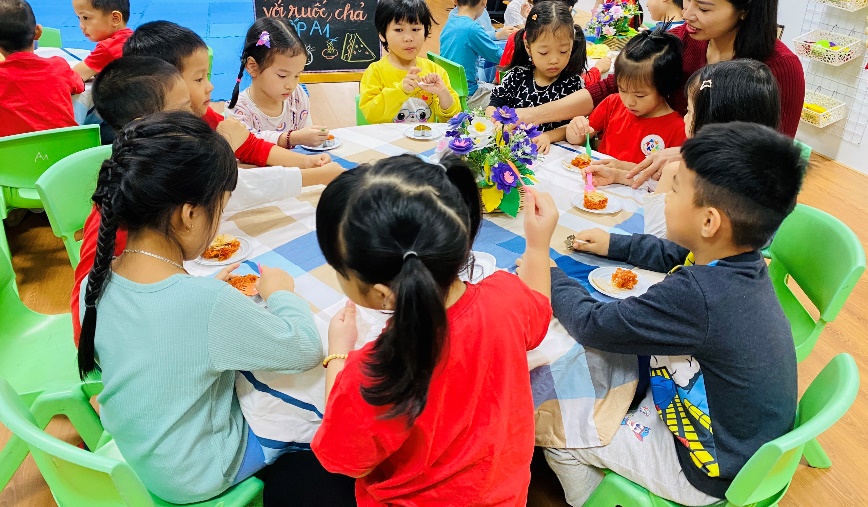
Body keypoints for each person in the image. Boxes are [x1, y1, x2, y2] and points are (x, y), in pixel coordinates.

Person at [550, 122, 804, 506]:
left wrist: (550, 275)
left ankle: (596, 498)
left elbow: (592, 325)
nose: (664, 197)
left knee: (561, 433)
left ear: (709, 221)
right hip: (742, 439)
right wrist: (615, 244)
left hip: (709, 468)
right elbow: (675, 253)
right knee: (613, 370)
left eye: (675, 189)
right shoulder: (740, 261)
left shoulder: (696, 295)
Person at [77, 111, 323, 504]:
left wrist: (203, 296)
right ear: (189, 215)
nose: (218, 220)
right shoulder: (205, 303)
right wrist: (281, 294)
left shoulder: (96, 279)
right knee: (311, 402)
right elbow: (305, 349)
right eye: (220, 209)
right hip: (198, 472)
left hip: (142, 451)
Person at [308, 155, 557, 505]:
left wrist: (337, 355)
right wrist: (537, 246)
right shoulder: (506, 297)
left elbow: (348, 461)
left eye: (339, 268)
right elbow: (538, 307)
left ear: (382, 294)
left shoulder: (375, 372)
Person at [70, 56, 343, 346]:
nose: (198, 111)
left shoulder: (154, 172)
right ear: (147, 127)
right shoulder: (133, 199)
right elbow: (88, 317)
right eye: (184, 108)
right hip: (135, 344)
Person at [517, 0, 805, 183]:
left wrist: (686, 153)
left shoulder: (779, 69)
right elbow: (609, 88)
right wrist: (529, 115)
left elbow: (770, 162)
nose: (688, 14)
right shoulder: (679, 40)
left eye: (704, 8)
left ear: (745, 9)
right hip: (659, 185)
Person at [588, 59, 782, 237]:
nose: (685, 117)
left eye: (689, 110)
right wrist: (619, 176)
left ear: (711, 121)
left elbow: (657, 241)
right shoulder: (758, 177)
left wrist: (611, 244)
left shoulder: (684, 172)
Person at [123, 20, 331, 171]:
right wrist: (226, 143)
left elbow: (251, 146)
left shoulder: (206, 117)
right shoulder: (142, 143)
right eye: (199, 79)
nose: (210, 87)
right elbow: (198, 179)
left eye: (207, 76)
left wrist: (307, 162)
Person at [566, 27, 686, 164]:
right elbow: (580, 139)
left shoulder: (678, 129)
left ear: (666, 87)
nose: (629, 102)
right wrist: (575, 131)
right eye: (622, 90)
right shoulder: (613, 103)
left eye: (639, 95)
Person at [488, 1, 589, 154]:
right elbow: (494, 104)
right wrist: (495, 123)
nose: (554, 60)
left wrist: (549, 136)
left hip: (552, 154)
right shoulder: (517, 76)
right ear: (528, 47)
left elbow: (574, 125)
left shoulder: (572, 83)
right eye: (544, 53)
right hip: (514, 152)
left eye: (563, 51)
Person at [228, 18, 330, 148]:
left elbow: (307, 143)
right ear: (253, 66)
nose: (291, 85)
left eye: (297, 75)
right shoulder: (238, 110)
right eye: (282, 76)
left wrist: (316, 138)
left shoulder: (297, 96)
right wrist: (292, 138)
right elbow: (249, 146)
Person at [360, 0, 459, 123]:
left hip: (424, 136)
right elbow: (371, 115)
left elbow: (452, 118)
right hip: (388, 136)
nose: (408, 38)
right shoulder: (375, 72)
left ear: (425, 31)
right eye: (399, 30)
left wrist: (442, 93)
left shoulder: (435, 71)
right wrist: (400, 90)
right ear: (382, 35)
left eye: (415, 29)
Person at [0, 0, 83, 137]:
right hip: (70, 149)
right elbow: (79, 86)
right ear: (38, 32)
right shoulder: (59, 67)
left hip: (13, 151)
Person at [439, 0, 505, 108]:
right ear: (484, 0)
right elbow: (500, 58)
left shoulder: (450, 23)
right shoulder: (472, 29)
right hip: (467, 96)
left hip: (449, 90)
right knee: (509, 96)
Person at [70, 0, 133, 82]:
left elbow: (73, 77)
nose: (81, 25)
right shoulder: (131, 37)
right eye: (79, 18)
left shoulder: (108, 48)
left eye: (86, 18)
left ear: (115, 18)